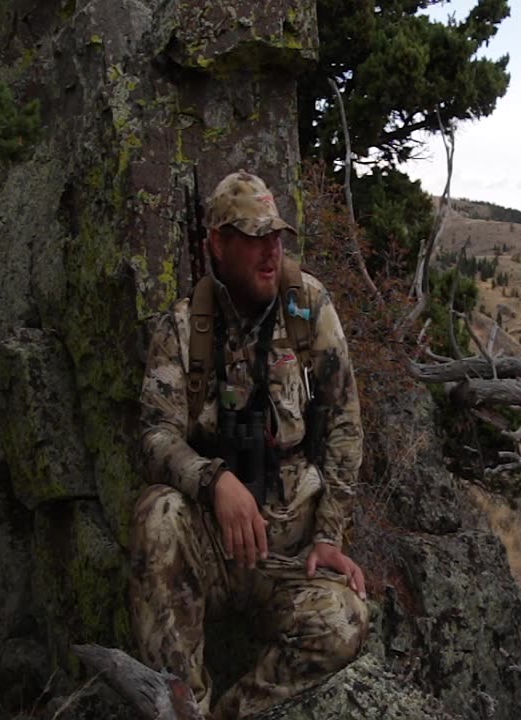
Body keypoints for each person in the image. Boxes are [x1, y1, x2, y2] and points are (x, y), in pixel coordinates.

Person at [129, 171, 368, 719]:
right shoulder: (186, 327)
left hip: (287, 556)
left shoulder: (309, 307)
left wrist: (329, 535)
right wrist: (214, 481)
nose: (271, 250)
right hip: (214, 549)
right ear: (217, 243)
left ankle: (227, 715)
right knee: (157, 514)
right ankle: (182, 703)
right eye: (254, 237)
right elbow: (153, 436)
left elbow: (345, 424)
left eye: (276, 236)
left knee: (347, 620)